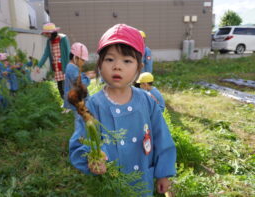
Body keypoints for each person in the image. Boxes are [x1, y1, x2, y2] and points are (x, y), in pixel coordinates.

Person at [69, 24, 176, 195]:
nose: (117, 66)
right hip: (110, 184)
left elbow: (162, 138)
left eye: (127, 61)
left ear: (139, 68)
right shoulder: (92, 106)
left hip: (142, 180)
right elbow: (80, 143)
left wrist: (163, 173)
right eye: (110, 59)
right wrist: (92, 158)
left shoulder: (147, 101)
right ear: (99, 64)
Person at [37, 22, 71, 99]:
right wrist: (39, 66)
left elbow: (68, 52)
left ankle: (70, 103)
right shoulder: (49, 41)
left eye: (48, 34)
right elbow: (46, 54)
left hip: (65, 66)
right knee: (60, 86)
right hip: (57, 67)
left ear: (53, 33)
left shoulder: (63, 38)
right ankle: (65, 103)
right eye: (46, 34)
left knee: (67, 86)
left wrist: (70, 65)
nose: (48, 36)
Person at [63, 42, 90, 113]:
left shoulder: (72, 66)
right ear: (75, 57)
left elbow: (77, 77)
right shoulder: (72, 68)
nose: (83, 63)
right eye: (83, 60)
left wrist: (84, 75)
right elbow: (80, 84)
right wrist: (88, 78)